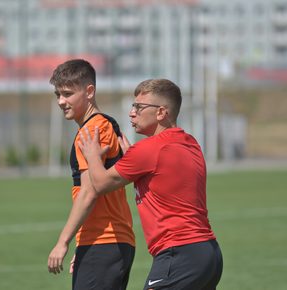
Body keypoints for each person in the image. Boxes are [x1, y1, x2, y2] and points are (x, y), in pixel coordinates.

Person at [78, 79, 223, 290]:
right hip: (209, 255)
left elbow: (100, 184)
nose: (131, 113)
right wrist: (133, 160)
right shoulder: (190, 142)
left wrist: (92, 156)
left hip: (178, 255)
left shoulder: (148, 149)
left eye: (139, 107)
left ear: (162, 112)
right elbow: (163, 178)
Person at [47, 59, 135, 290]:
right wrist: (83, 243)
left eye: (67, 93)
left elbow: (89, 192)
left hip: (105, 242)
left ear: (89, 91)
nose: (61, 101)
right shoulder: (105, 125)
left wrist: (62, 242)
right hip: (105, 242)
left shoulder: (91, 131)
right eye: (58, 94)